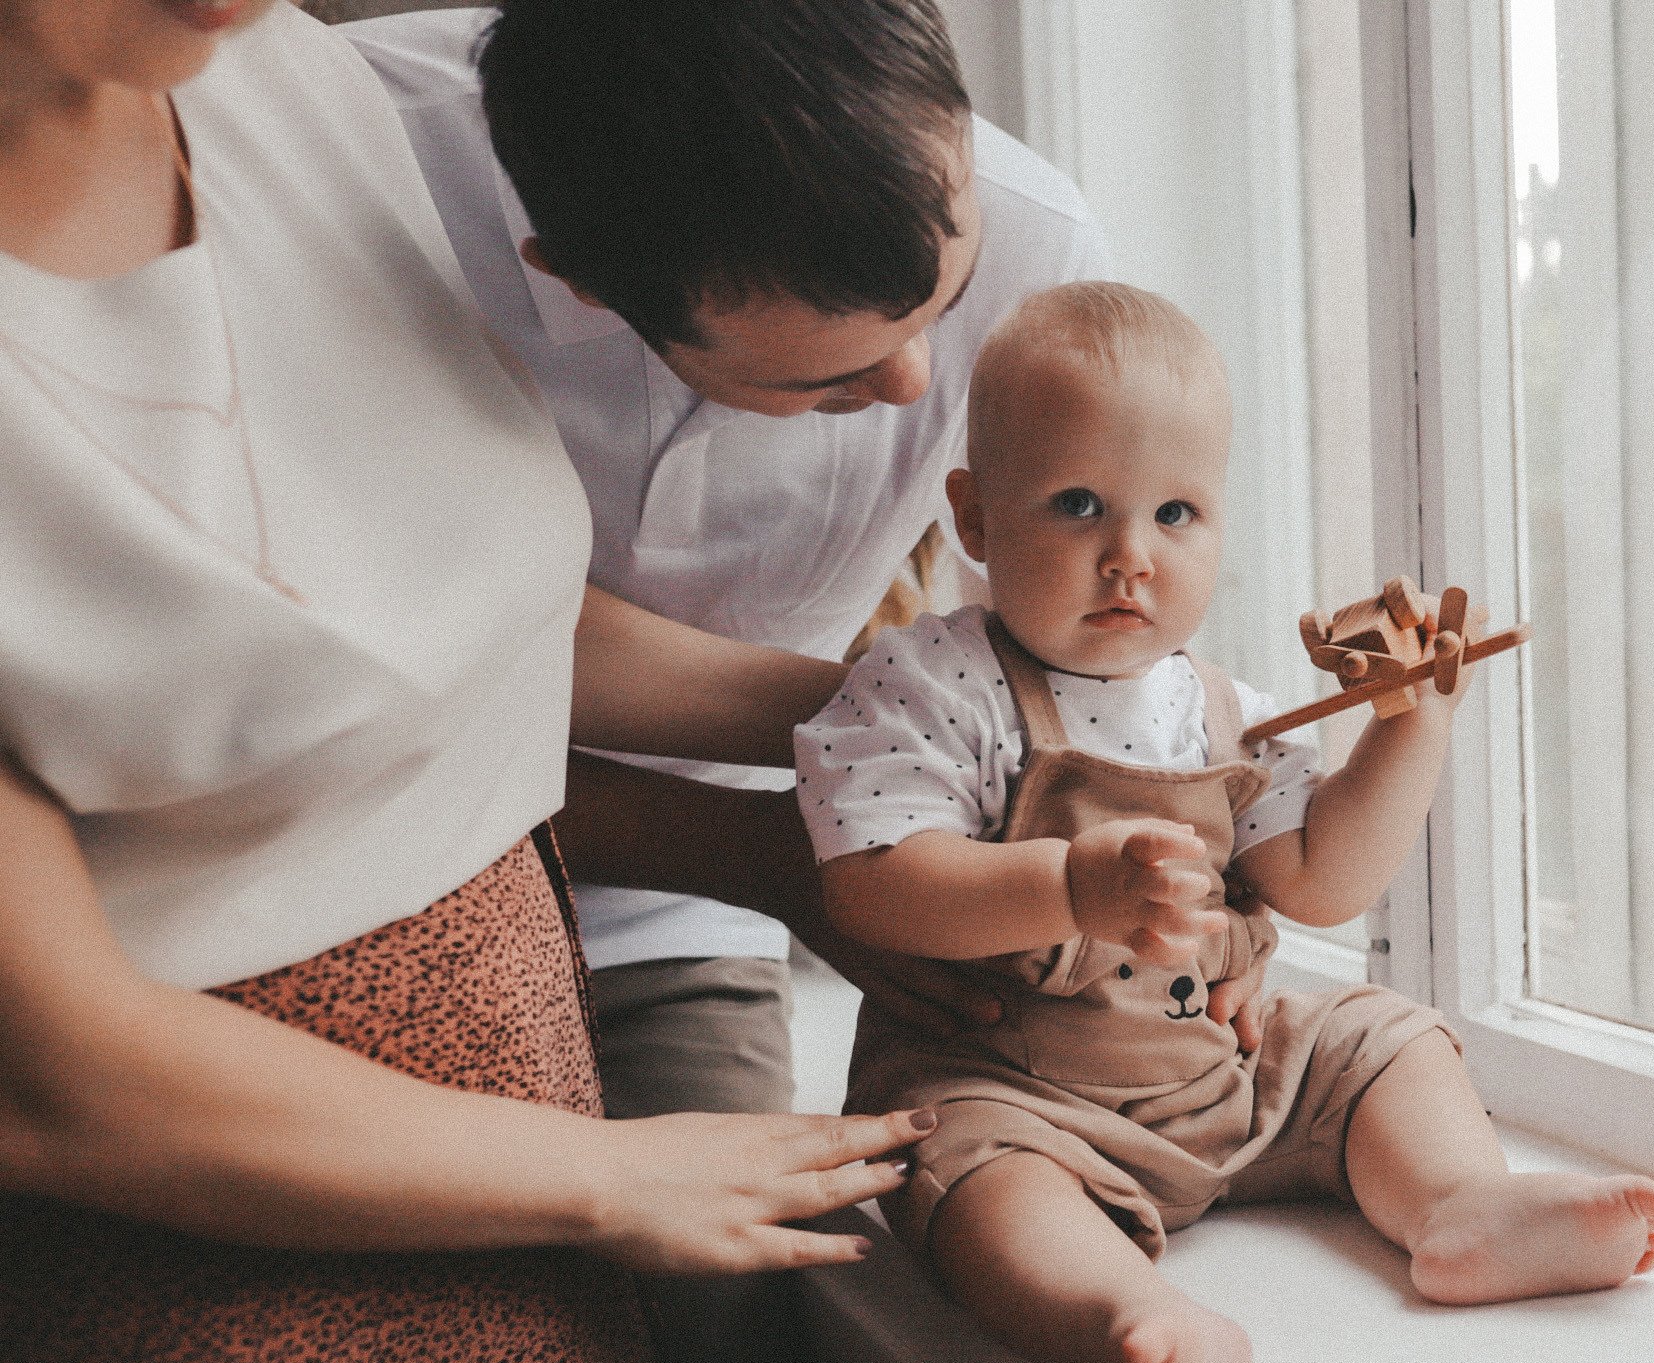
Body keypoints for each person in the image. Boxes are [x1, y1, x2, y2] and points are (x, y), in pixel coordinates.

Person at [0, 4, 928, 1363]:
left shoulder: (285, 83)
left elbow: (465, 627)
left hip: (539, 1228)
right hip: (221, 1322)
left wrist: (914, 730)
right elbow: (51, 1076)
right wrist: (620, 1177)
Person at [799, 282, 1654, 1363]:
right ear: (973, 515)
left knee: (1380, 1034)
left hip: (1215, 1081)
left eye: (1177, 513)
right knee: (964, 1178)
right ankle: (1134, 1315)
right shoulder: (929, 683)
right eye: (1077, 505)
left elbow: (1320, 880)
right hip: (1018, 1094)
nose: (1131, 557)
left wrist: (1409, 728)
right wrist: (1073, 885)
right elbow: (875, 883)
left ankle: (1458, 1204)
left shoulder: (1223, 711)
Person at [339, 0, 1198, 1131]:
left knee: (733, 1300)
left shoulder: (1039, 246)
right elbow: (396, 669)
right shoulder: (343, 175)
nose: (909, 384)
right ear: (584, 278)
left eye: (947, 298)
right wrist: (876, 762)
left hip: (688, 915)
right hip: (354, 871)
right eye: (825, 381)